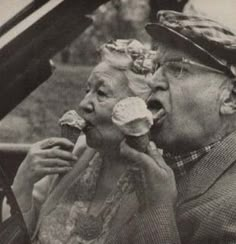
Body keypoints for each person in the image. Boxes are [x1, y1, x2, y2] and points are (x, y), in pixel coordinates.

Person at [9, 39, 157, 244]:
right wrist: (23, 182)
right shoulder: (75, 153)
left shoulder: (156, 181)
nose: (84, 104)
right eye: (87, 91)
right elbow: (15, 237)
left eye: (101, 93)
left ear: (139, 109)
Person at [115, 10, 236, 244]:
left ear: (231, 97)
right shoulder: (154, 163)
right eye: (156, 67)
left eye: (177, 68)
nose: (152, 80)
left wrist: (156, 207)